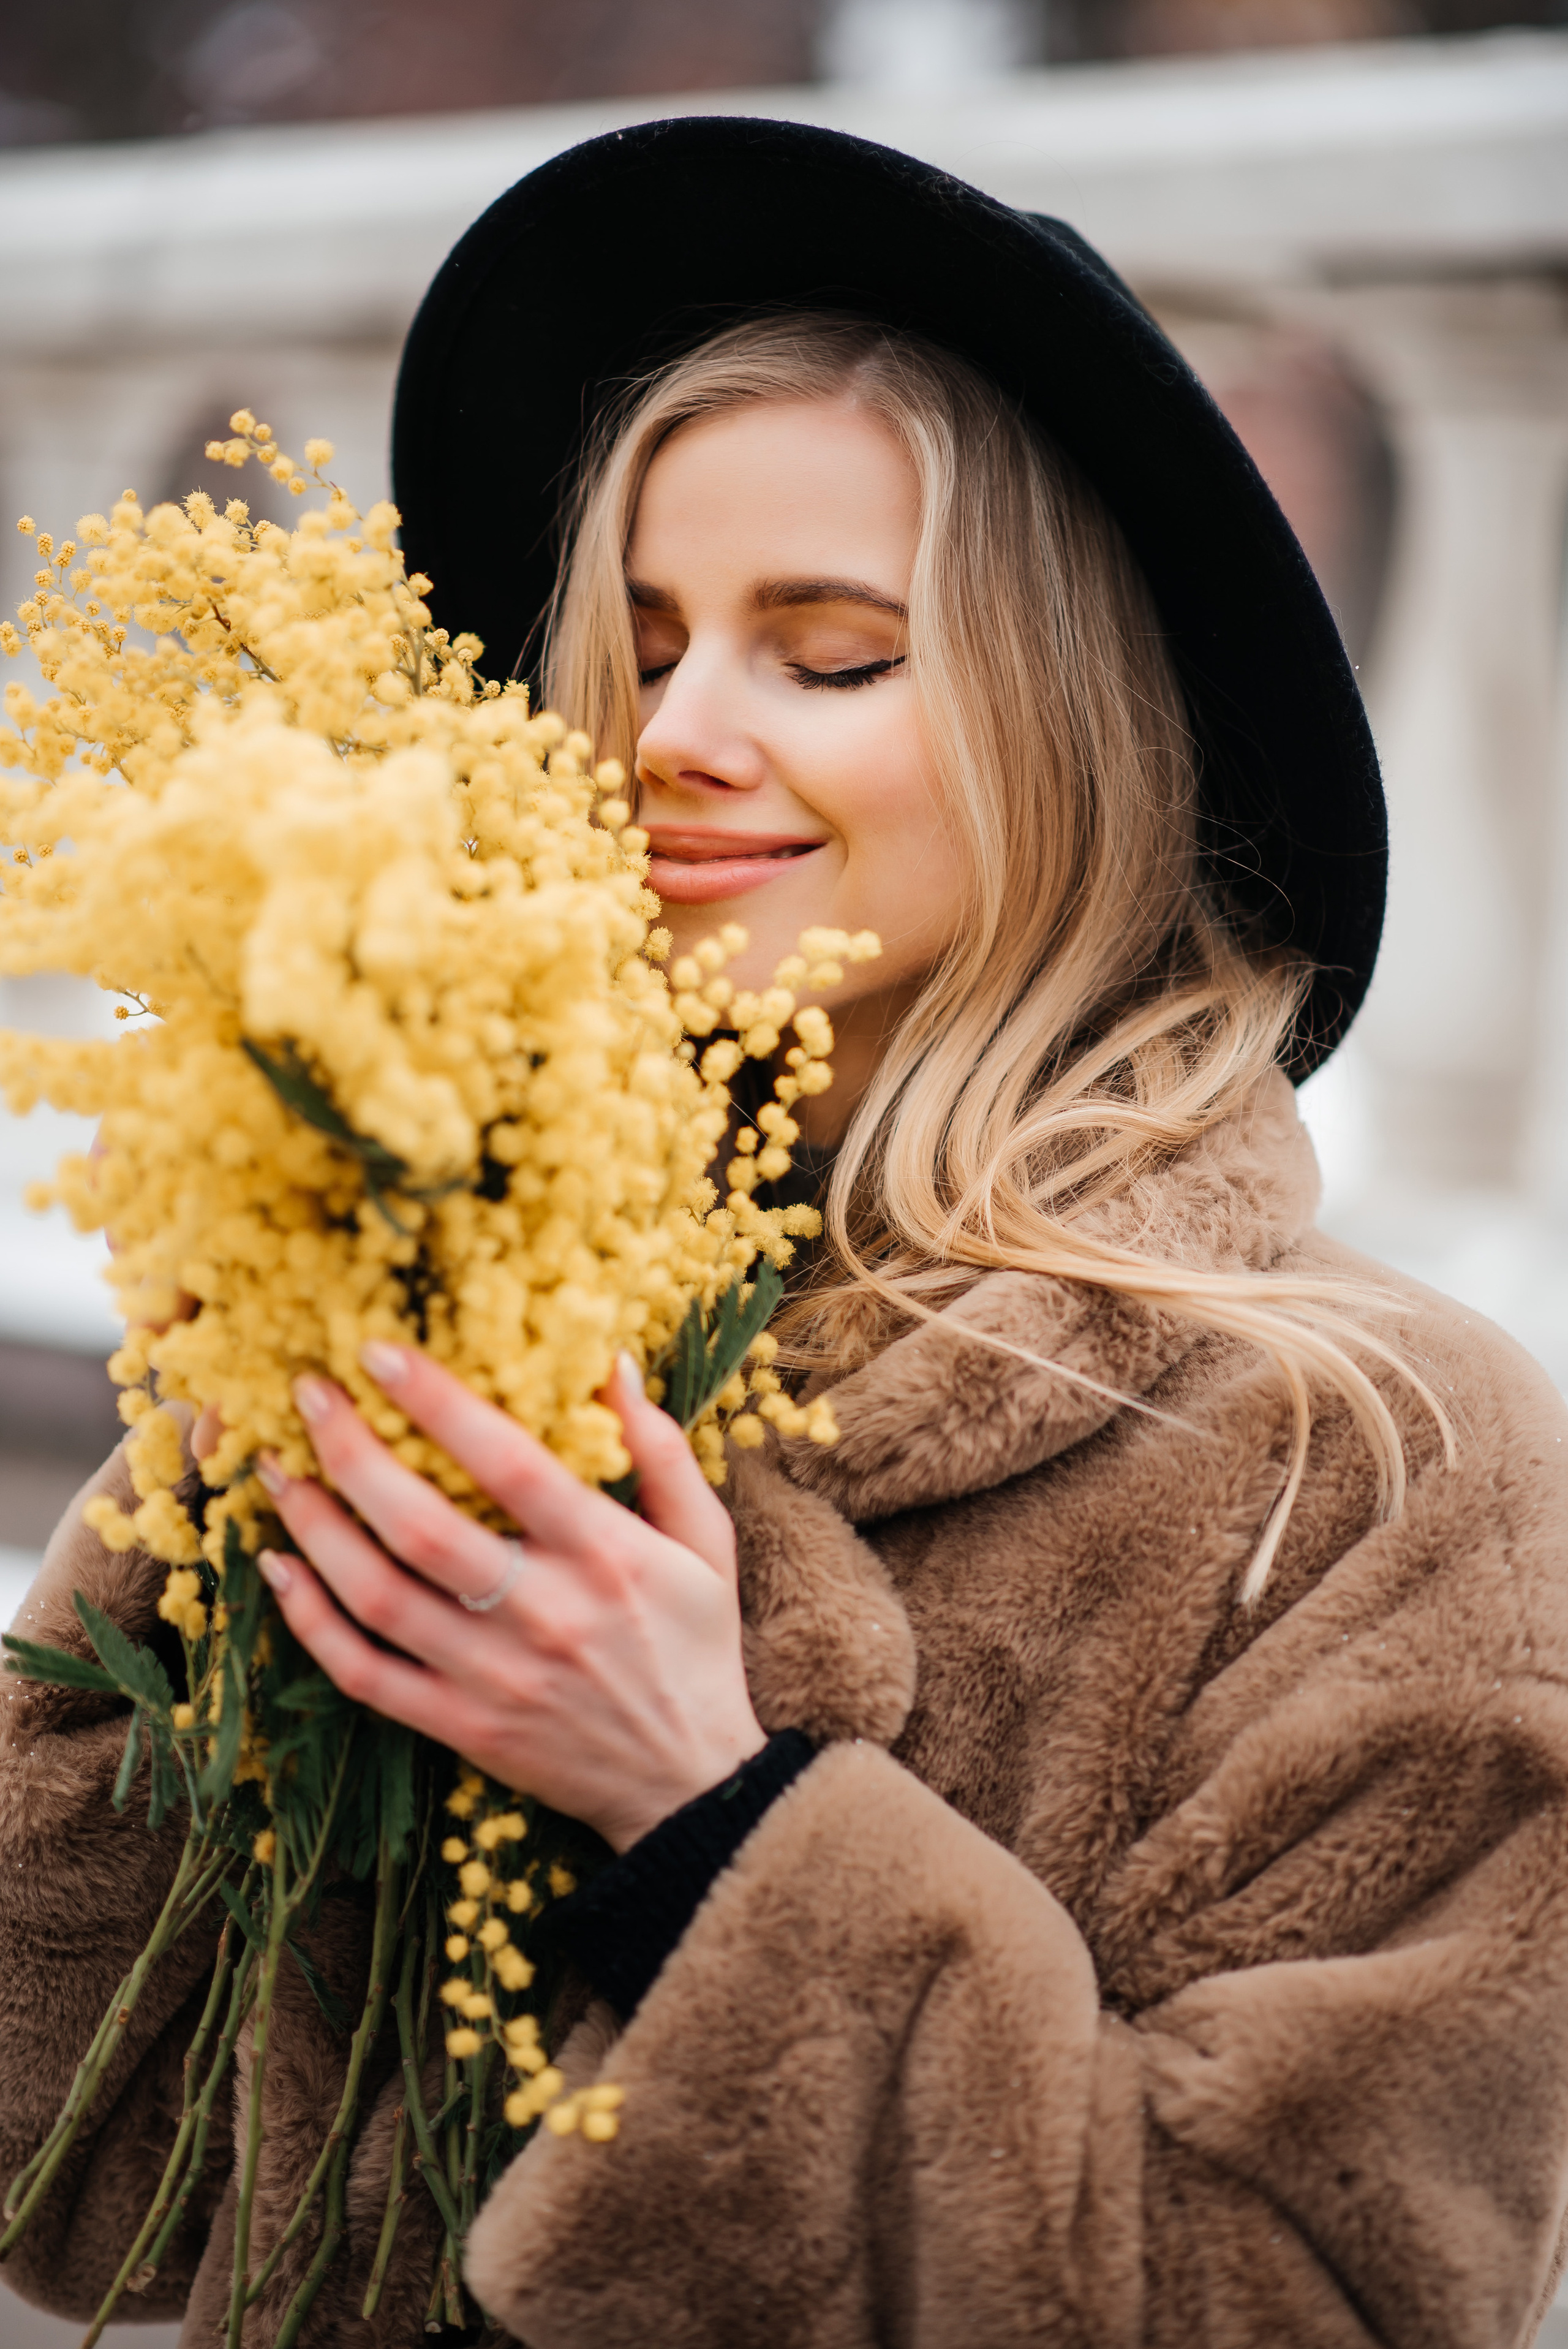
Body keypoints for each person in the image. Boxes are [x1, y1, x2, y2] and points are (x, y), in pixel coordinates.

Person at [6, 115, 1568, 2348]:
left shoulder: (1382, 1462)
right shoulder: (444, 1310)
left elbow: (1310, 2302)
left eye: (826, 654)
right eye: (636, 648)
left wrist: (703, 1817)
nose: (677, 735)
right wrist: (228, 1440)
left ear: (1066, 735)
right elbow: (99, 2164)